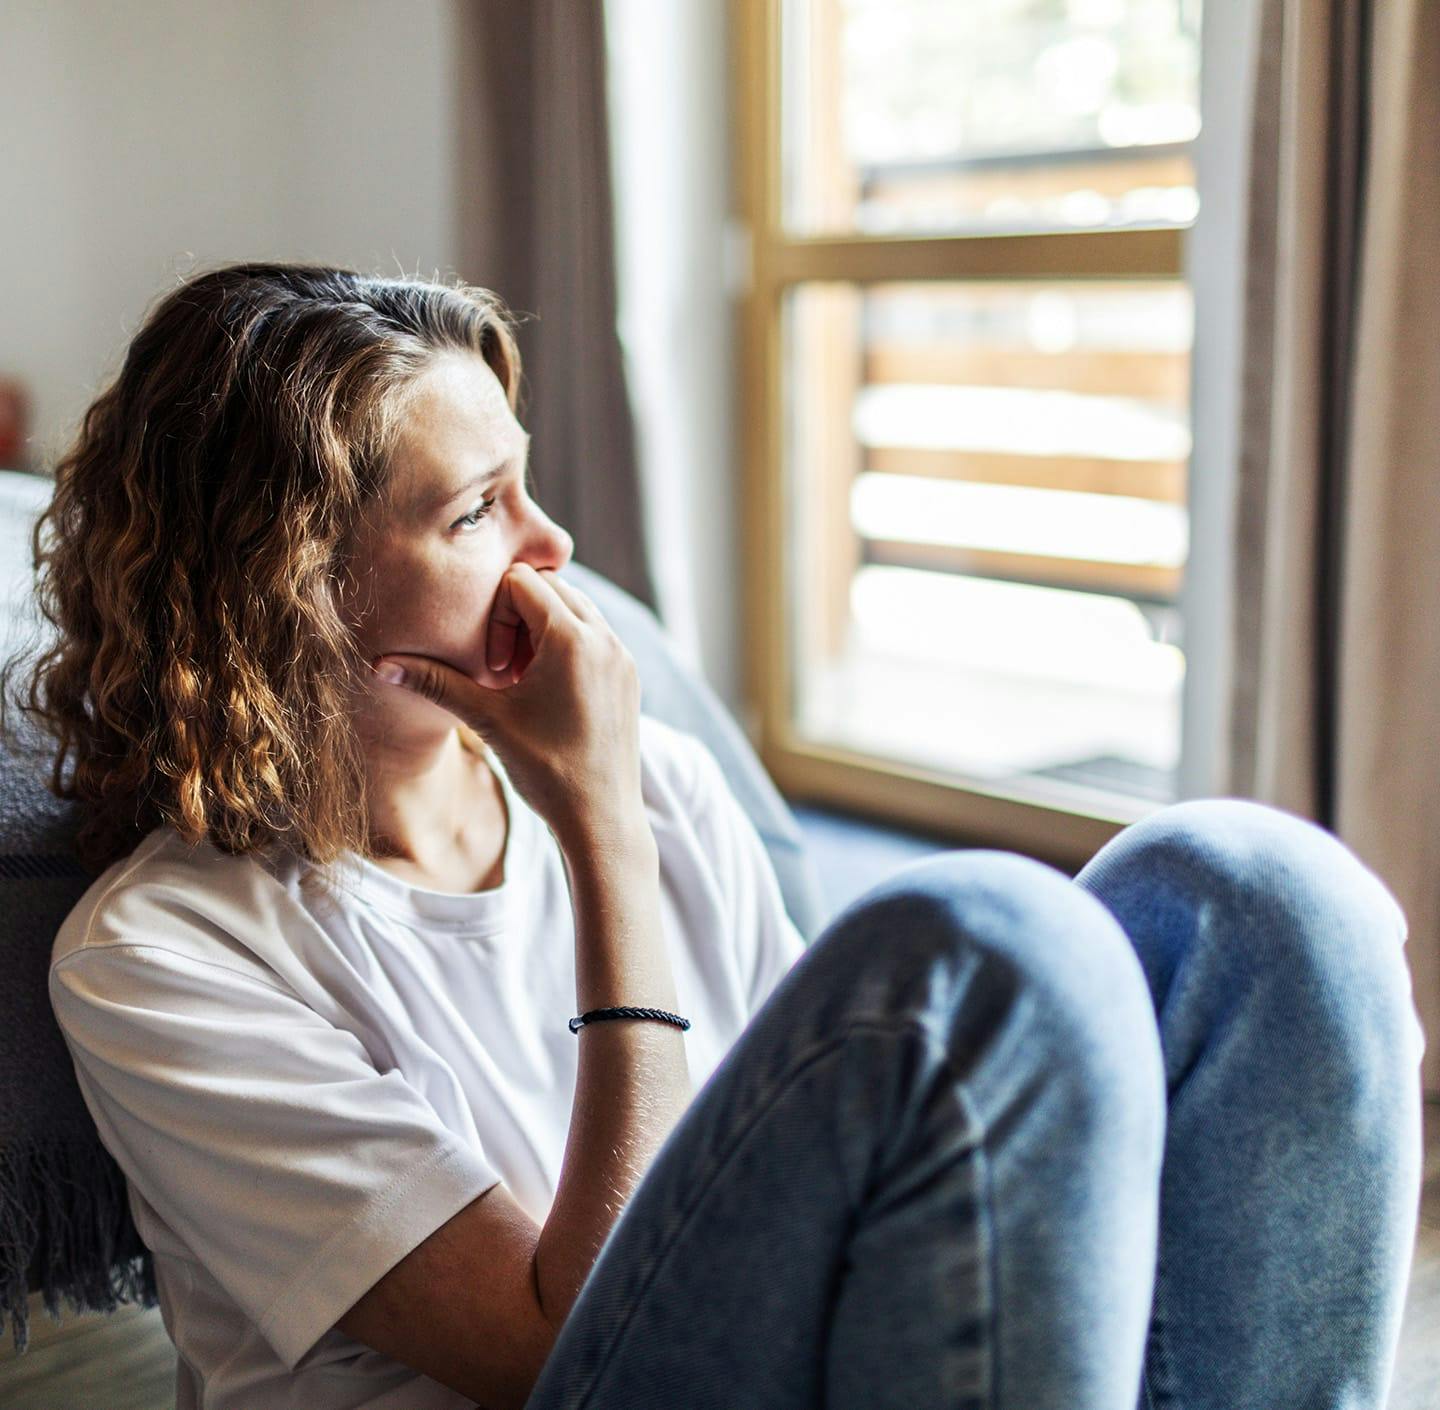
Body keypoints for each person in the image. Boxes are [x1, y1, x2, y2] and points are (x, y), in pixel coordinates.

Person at [4, 262, 1424, 1410]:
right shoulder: (159, 952)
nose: (553, 545)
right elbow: (555, 1347)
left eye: (528, 480)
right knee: (992, 943)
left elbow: (820, 1154)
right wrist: (603, 831)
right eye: (477, 509)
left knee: (1257, 891)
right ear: (292, 594)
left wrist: (621, 799)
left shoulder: (662, 773)